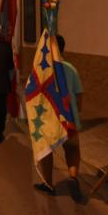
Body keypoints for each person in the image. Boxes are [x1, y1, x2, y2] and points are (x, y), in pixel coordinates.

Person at [34, 34, 84, 202]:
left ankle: (48, 183)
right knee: (72, 149)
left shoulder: (41, 71)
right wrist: (76, 114)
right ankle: (73, 177)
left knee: (47, 152)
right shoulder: (71, 69)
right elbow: (79, 96)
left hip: (48, 119)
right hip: (69, 118)